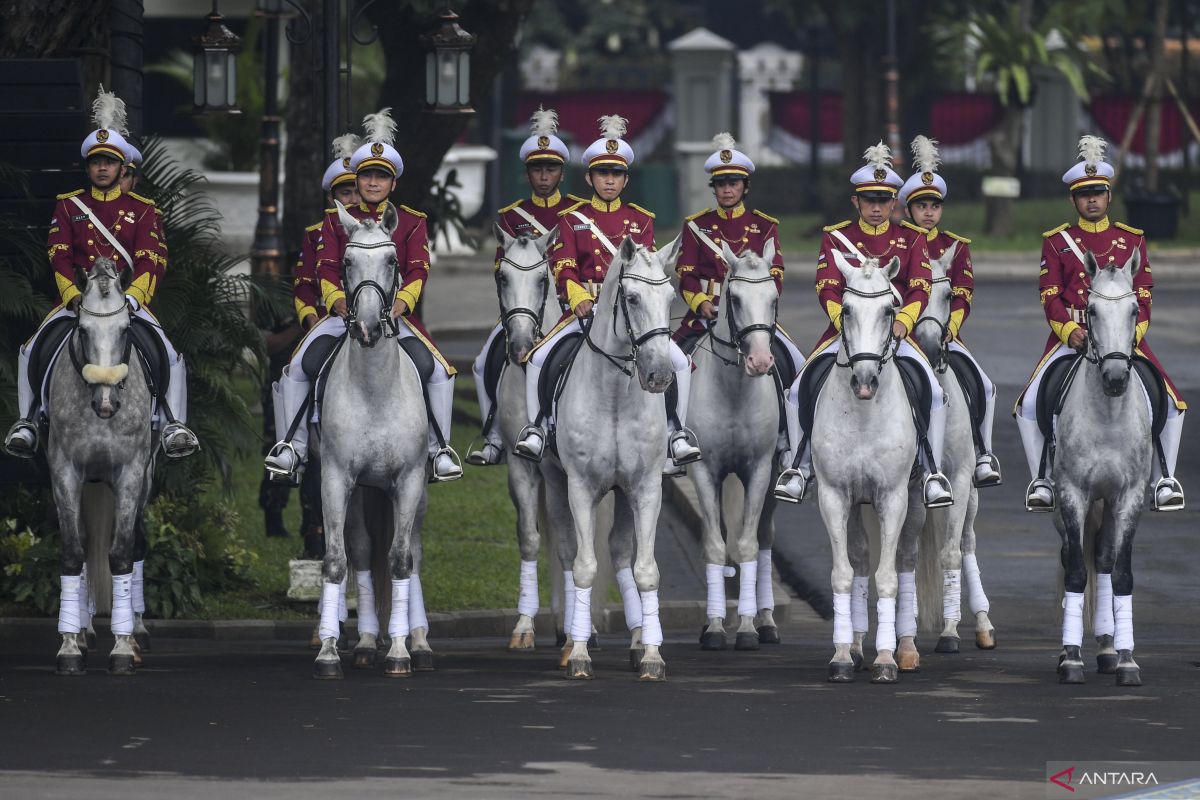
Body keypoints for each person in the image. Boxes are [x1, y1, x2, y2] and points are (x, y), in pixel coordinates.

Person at [263, 109, 463, 483]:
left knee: (437, 371)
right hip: (343, 316)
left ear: (393, 183)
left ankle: (439, 450)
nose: (372, 183)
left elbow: (419, 268)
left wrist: (402, 302)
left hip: (396, 317)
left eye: (381, 176)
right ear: (357, 178)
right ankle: (293, 446)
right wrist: (336, 299)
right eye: (367, 175)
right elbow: (324, 266)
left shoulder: (412, 221)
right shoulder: (335, 219)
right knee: (297, 368)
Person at [4, 86, 197, 458]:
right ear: (88, 167)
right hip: (79, 303)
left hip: (127, 302)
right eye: (96, 163)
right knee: (29, 350)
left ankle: (173, 423)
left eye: (109, 163)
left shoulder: (144, 210)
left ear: (123, 168)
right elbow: (58, 255)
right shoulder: (68, 206)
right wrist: (74, 296)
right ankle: (28, 421)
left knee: (171, 354)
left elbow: (151, 258)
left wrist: (135, 297)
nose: (103, 169)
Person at [511, 114, 702, 471]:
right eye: (602, 174)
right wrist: (577, 294)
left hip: (631, 315)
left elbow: (646, 268)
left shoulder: (640, 220)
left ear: (626, 179)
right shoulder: (571, 219)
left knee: (680, 362)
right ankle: (538, 426)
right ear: (589, 178)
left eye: (616, 174)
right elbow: (563, 263)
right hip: (583, 313)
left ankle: (676, 431)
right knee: (539, 358)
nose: (609, 180)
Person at [774, 142, 953, 508]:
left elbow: (920, 286)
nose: (876, 208)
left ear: (894, 204)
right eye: (868, 200)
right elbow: (826, 285)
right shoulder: (836, 237)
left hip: (895, 334)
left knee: (933, 393)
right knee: (797, 390)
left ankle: (931, 469)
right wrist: (844, 322)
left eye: (883, 200)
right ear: (856, 202)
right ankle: (799, 465)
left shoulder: (912, 238)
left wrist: (904, 321)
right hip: (847, 333)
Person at [1016, 135, 1185, 512]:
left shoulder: (1132, 240)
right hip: (1072, 335)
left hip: (1120, 338)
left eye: (1098, 192)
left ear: (1109, 196)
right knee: (1028, 403)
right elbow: (1050, 294)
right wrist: (1069, 331)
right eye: (1084, 194)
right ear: (1073, 200)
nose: (1091, 199)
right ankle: (1041, 478)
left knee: (1173, 402)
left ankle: (1165, 478)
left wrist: (1130, 338)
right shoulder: (1057, 242)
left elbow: (1143, 297)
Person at [671, 132, 803, 472]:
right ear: (713, 188)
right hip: (705, 316)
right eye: (721, 184)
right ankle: (672, 437)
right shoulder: (696, 226)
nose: (727, 189)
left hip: (752, 315)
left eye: (734, 183)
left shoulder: (764, 227)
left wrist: (758, 307)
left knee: (797, 366)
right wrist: (700, 301)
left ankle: (790, 444)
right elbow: (685, 274)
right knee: (667, 365)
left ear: (745, 187)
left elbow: (777, 275)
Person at [466, 106, 574, 466]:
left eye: (551, 169)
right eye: (537, 169)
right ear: (528, 173)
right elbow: (502, 270)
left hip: (569, 306)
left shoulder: (578, 213)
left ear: (561, 173)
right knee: (482, 363)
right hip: (522, 307)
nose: (544, 176)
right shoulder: (512, 216)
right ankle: (495, 435)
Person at [897, 135, 1001, 487]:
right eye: (921, 205)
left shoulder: (955, 246)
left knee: (984, 387)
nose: (929, 212)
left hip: (943, 333)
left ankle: (982, 452)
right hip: (902, 335)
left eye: (934, 205)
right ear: (908, 208)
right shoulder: (897, 242)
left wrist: (950, 328)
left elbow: (964, 293)